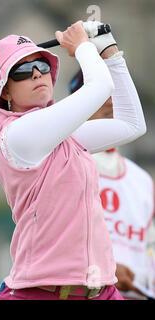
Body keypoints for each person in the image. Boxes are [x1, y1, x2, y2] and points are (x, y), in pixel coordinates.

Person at [0, 20, 146, 300]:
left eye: (43, 66)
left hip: (102, 291)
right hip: (41, 293)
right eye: (23, 70)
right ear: (6, 92)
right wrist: (82, 45)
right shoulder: (19, 134)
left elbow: (132, 124)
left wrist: (110, 52)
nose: (37, 73)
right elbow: (99, 87)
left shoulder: (62, 136)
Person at [70, 71, 155, 299]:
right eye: (100, 92)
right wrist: (106, 267)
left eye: (115, 92)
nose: (110, 100)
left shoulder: (142, 179)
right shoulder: (64, 164)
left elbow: (150, 244)